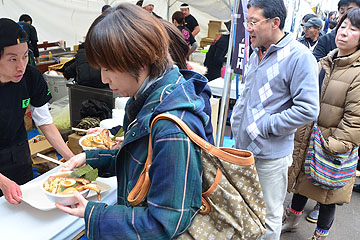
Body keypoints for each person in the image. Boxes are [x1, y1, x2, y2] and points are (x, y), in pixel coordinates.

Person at [56, 3, 213, 239]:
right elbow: (140, 162)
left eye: (108, 68)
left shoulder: (171, 126)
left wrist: (94, 214)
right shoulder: (147, 99)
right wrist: (90, 159)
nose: (103, 78)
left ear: (139, 60)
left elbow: (166, 222)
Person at [230, 0, 320, 239]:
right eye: (246, 21)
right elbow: (248, 98)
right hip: (243, 151)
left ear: (275, 23)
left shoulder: (299, 57)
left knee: (268, 217)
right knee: (244, 210)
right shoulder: (255, 53)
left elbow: (309, 109)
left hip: (270, 156)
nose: (248, 28)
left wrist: (266, 126)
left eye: (253, 22)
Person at [283, 8, 360, 240]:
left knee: (328, 197)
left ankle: (320, 235)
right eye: (343, 26)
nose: (344, 33)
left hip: (331, 147)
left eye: (353, 29)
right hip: (310, 138)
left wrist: (331, 146)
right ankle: (292, 220)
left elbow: (355, 121)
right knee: (301, 184)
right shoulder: (325, 61)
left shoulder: (357, 72)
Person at [0, 18, 74, 204]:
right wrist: (2, 182)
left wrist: (71, 159)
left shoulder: (31, 77)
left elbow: (44, 122)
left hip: (18, 153)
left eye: (25, 56)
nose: (21, 66)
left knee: (23, 209)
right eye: (12, 59)